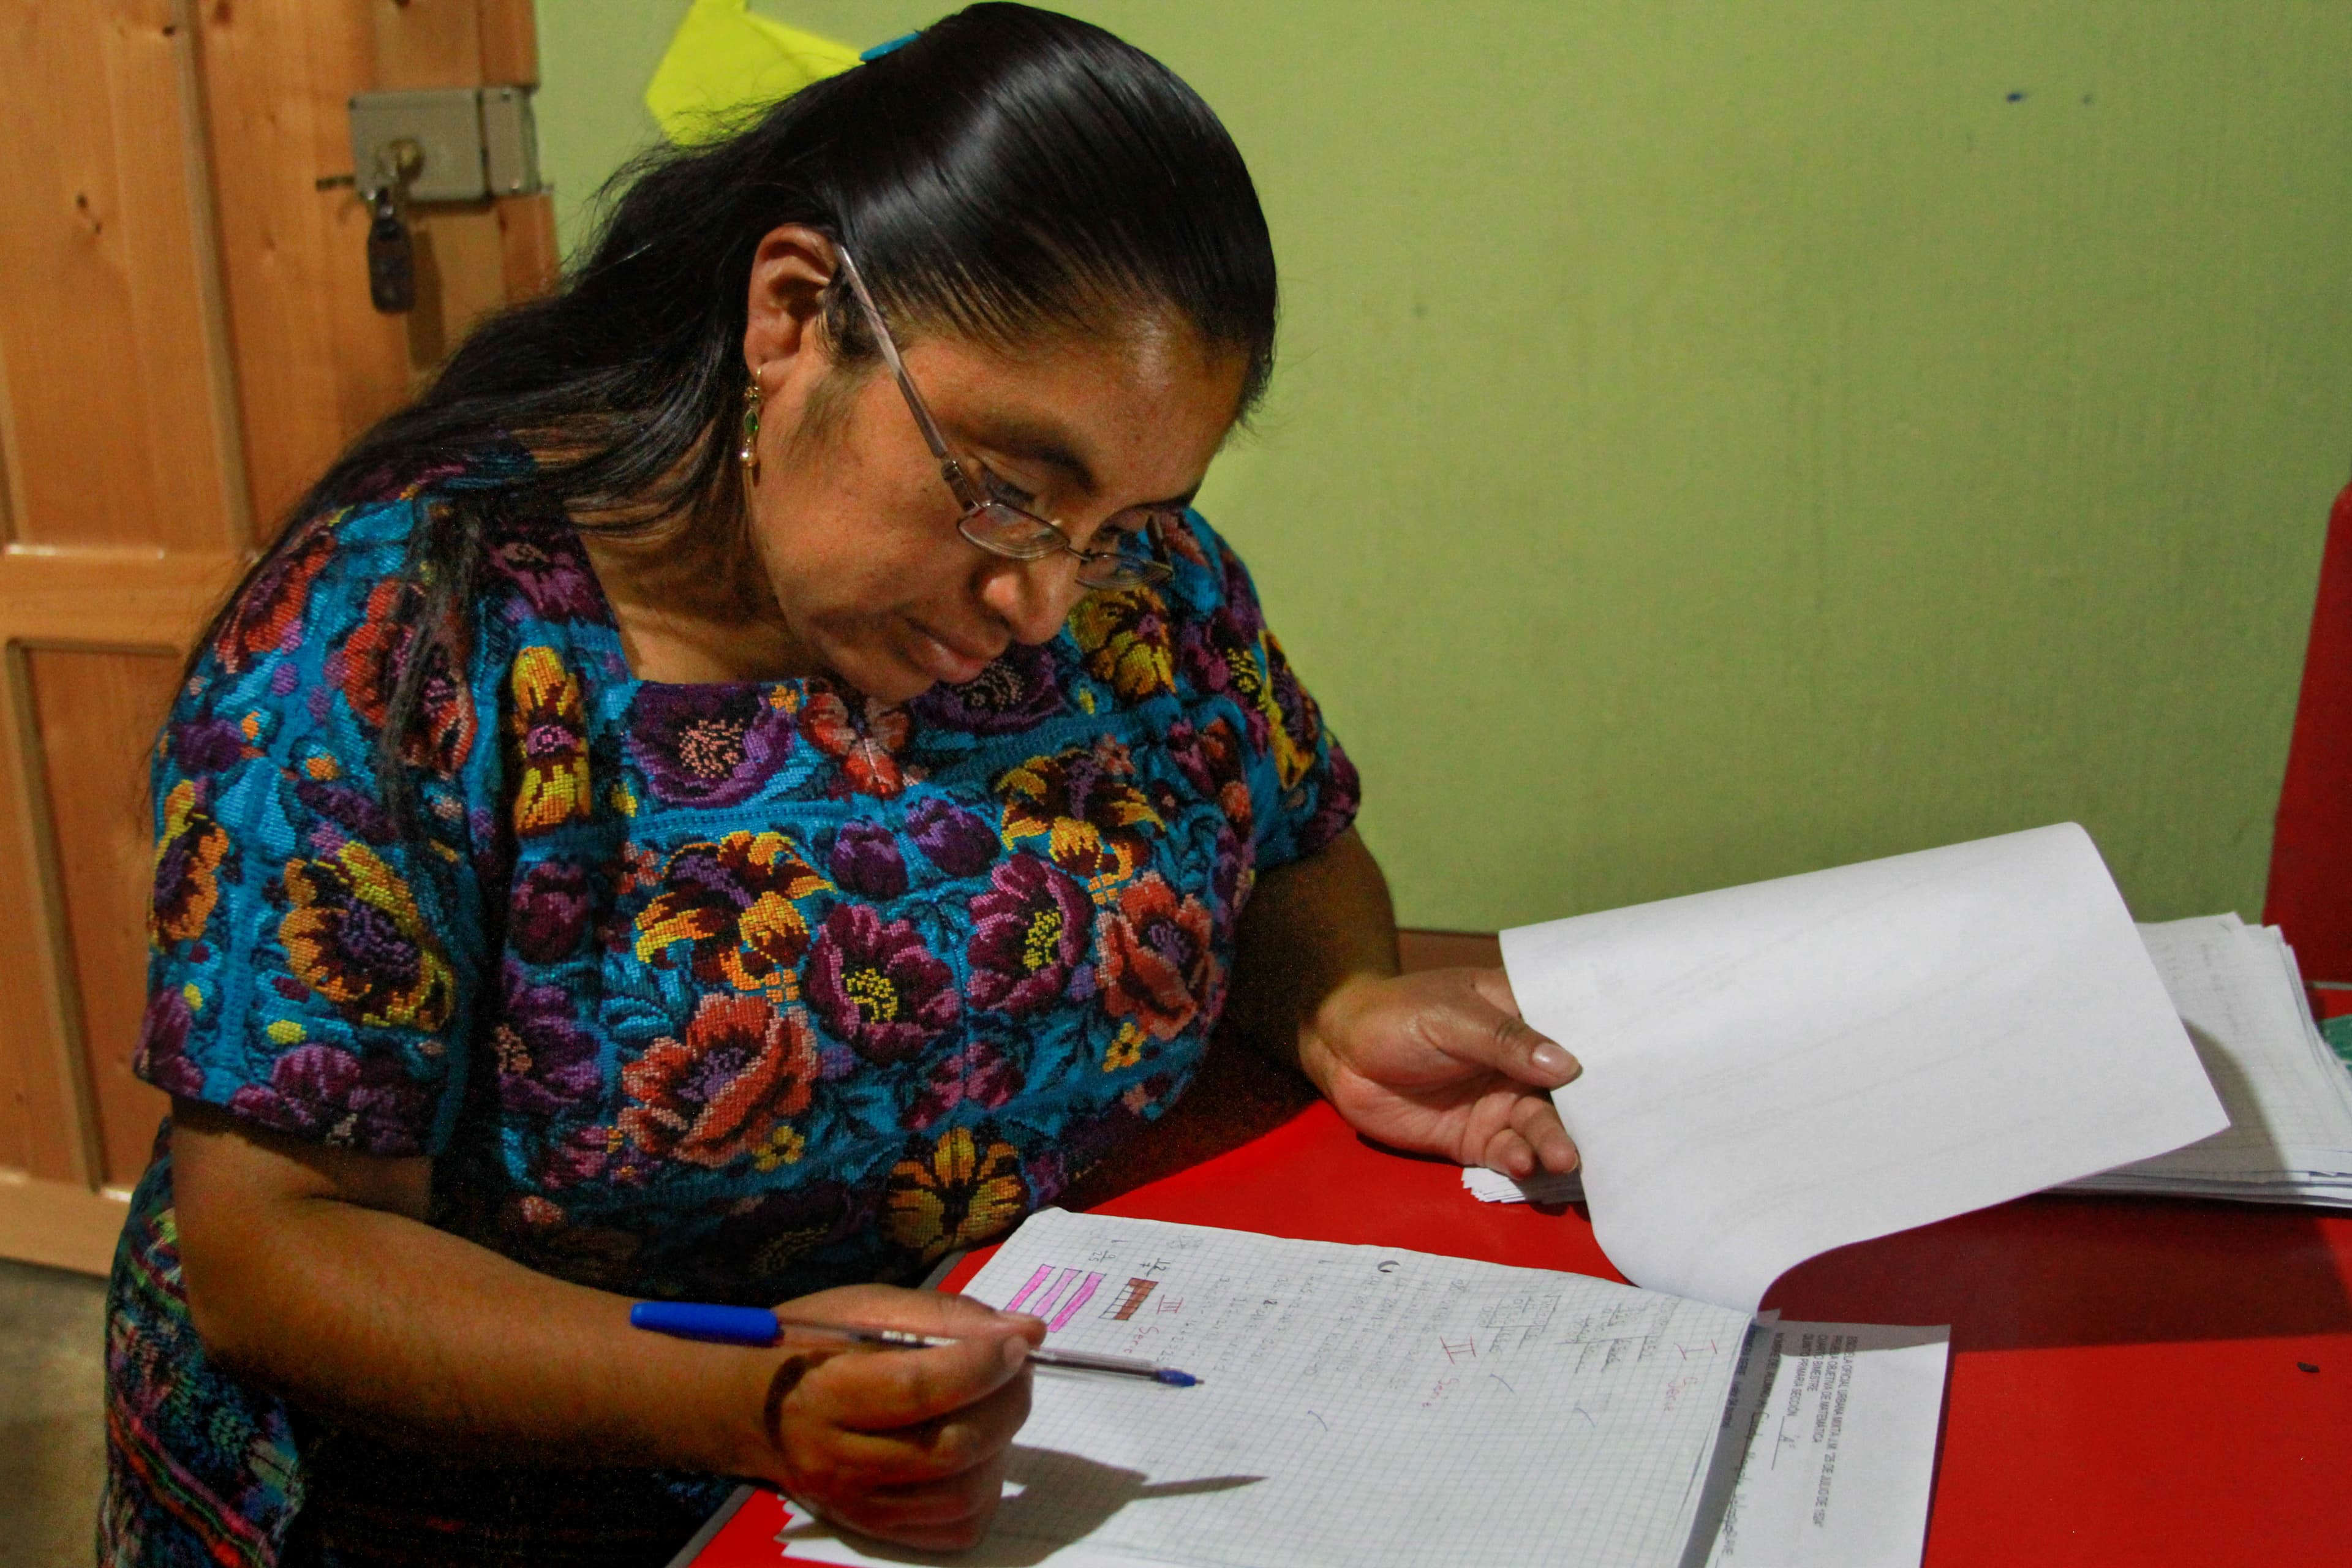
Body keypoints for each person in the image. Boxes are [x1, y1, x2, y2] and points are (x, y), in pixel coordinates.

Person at [100, 7, 1581, 1564]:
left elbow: (1290, 846)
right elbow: (277, 1249)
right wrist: (742, 1396)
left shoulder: (1136, 597)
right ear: (794, 314)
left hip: (1020, 1443)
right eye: (1010, 488)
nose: (1044, 599)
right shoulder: (408, 643)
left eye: (1124, 517)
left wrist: (1335, 1001)